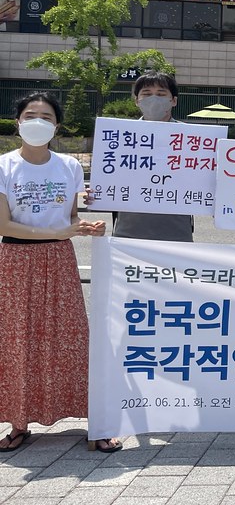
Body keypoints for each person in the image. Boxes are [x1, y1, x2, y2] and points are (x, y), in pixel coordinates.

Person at [0, 93, 120, 453]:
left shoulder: (68, 166)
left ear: (56, 125)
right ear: (18, 122)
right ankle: (18, 422)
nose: (37, 121)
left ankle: (95, 422)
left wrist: (87, 227)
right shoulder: (4, 166)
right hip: (15, 260)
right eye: (30, 115)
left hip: (59, 258)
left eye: (46, 116)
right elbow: (4, 225)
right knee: (18, 339)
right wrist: (61, 231)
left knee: (71, 336)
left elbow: (70, 218)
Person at [107, 71, 194, 242]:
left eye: (161, 94)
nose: (153, 99)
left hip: (177, 233)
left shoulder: (192, 139)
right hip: (128, 233)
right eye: (146, 94)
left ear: (174, 100)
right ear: (137, 100)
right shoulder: (120, 137)